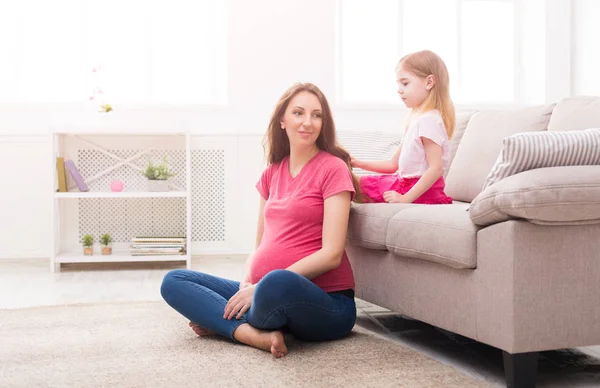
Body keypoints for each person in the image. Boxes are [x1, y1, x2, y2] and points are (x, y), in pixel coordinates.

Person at [161, 82, 363, 358]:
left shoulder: (333, 169)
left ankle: (224, 323)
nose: (308, 122)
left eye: (317, 115)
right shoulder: (272, 173)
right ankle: (252, 334)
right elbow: (259, 247)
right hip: (262, 292)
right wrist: (247, 283)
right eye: (299, 113)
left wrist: (258, 288)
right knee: (174, 280)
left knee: (276, 282)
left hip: (327, 302)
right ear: (282, 119)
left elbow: (331, 255)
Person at [351, 50, 455, 204]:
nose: (399, 89)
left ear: (429, 82)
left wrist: (406, 198)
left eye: (405, 83)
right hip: (404, 183)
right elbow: (393, 165)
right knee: (352, 182)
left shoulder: (429, 121)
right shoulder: (417, 120)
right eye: (398, 83)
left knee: (349, 185)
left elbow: (436, 169)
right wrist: (359, 163)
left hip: (420, 191)